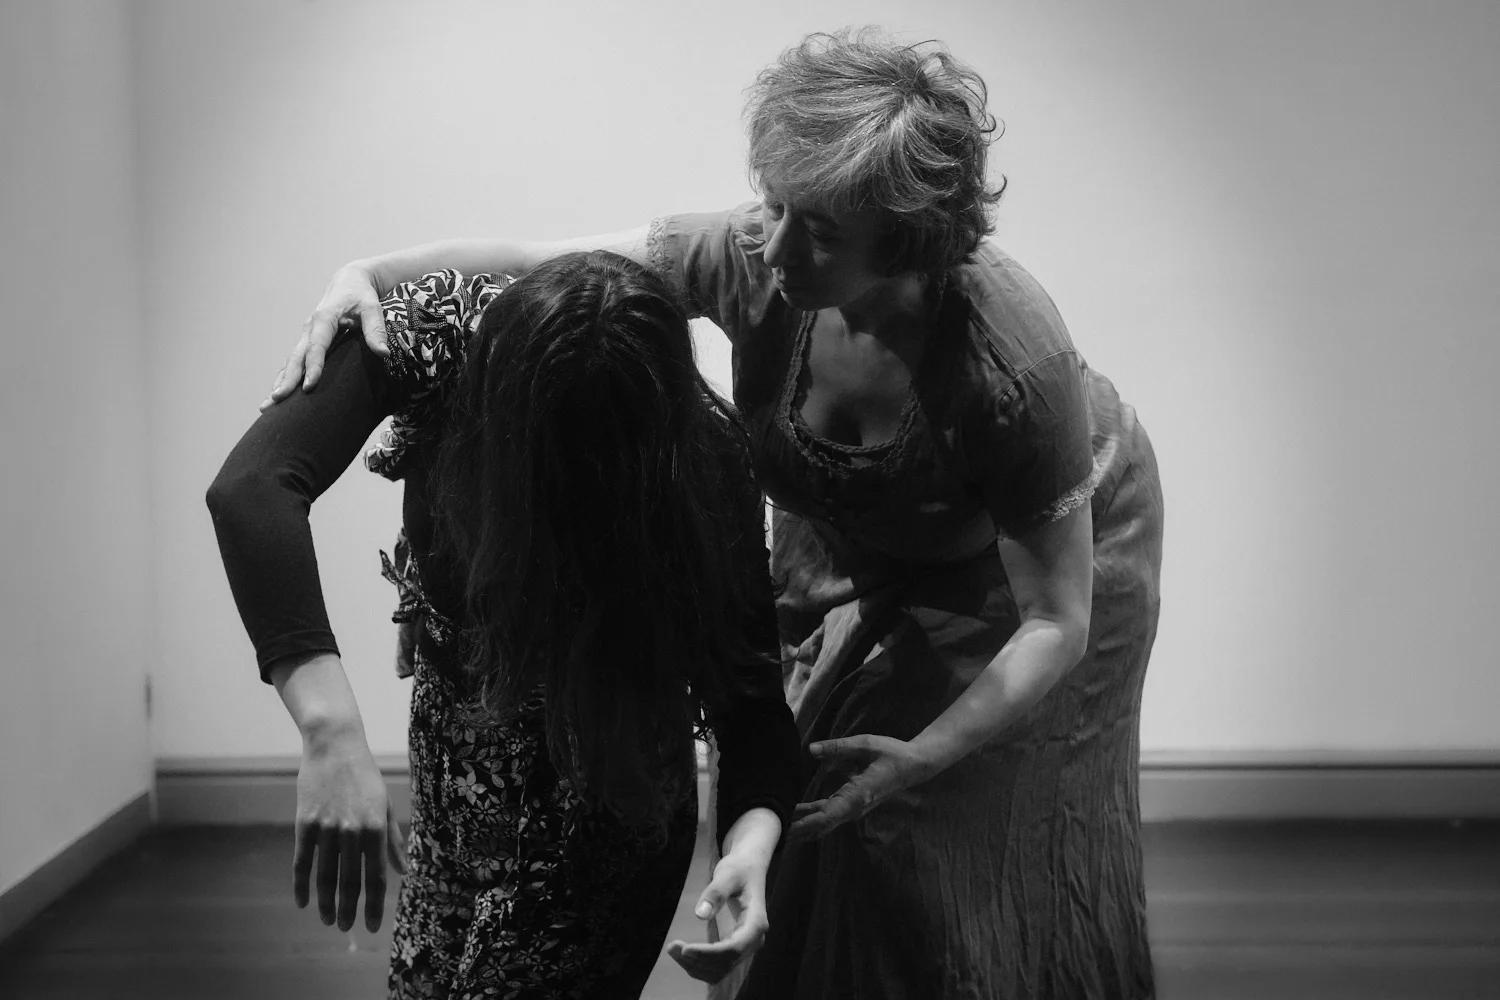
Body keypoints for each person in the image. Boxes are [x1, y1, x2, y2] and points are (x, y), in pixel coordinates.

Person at [266, 28, 1165, 1000]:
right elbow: (543, 263)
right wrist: (369, 273)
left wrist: (920, 757)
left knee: (930, 836)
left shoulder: (1009, 367)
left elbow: (1055, 619)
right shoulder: (760, 257)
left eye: (820, 232)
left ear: (904, 241)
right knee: (814, 804)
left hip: (1041, 554)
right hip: (858, 523)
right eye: (773, 206)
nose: (774, 246)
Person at [208, 252, 802, 998]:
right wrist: (329, 730)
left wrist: (750, 846)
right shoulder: (445, 338)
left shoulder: (701, 466)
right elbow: (252, 491)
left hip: (608, 808)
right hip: (452, 801)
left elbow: (751, 705)